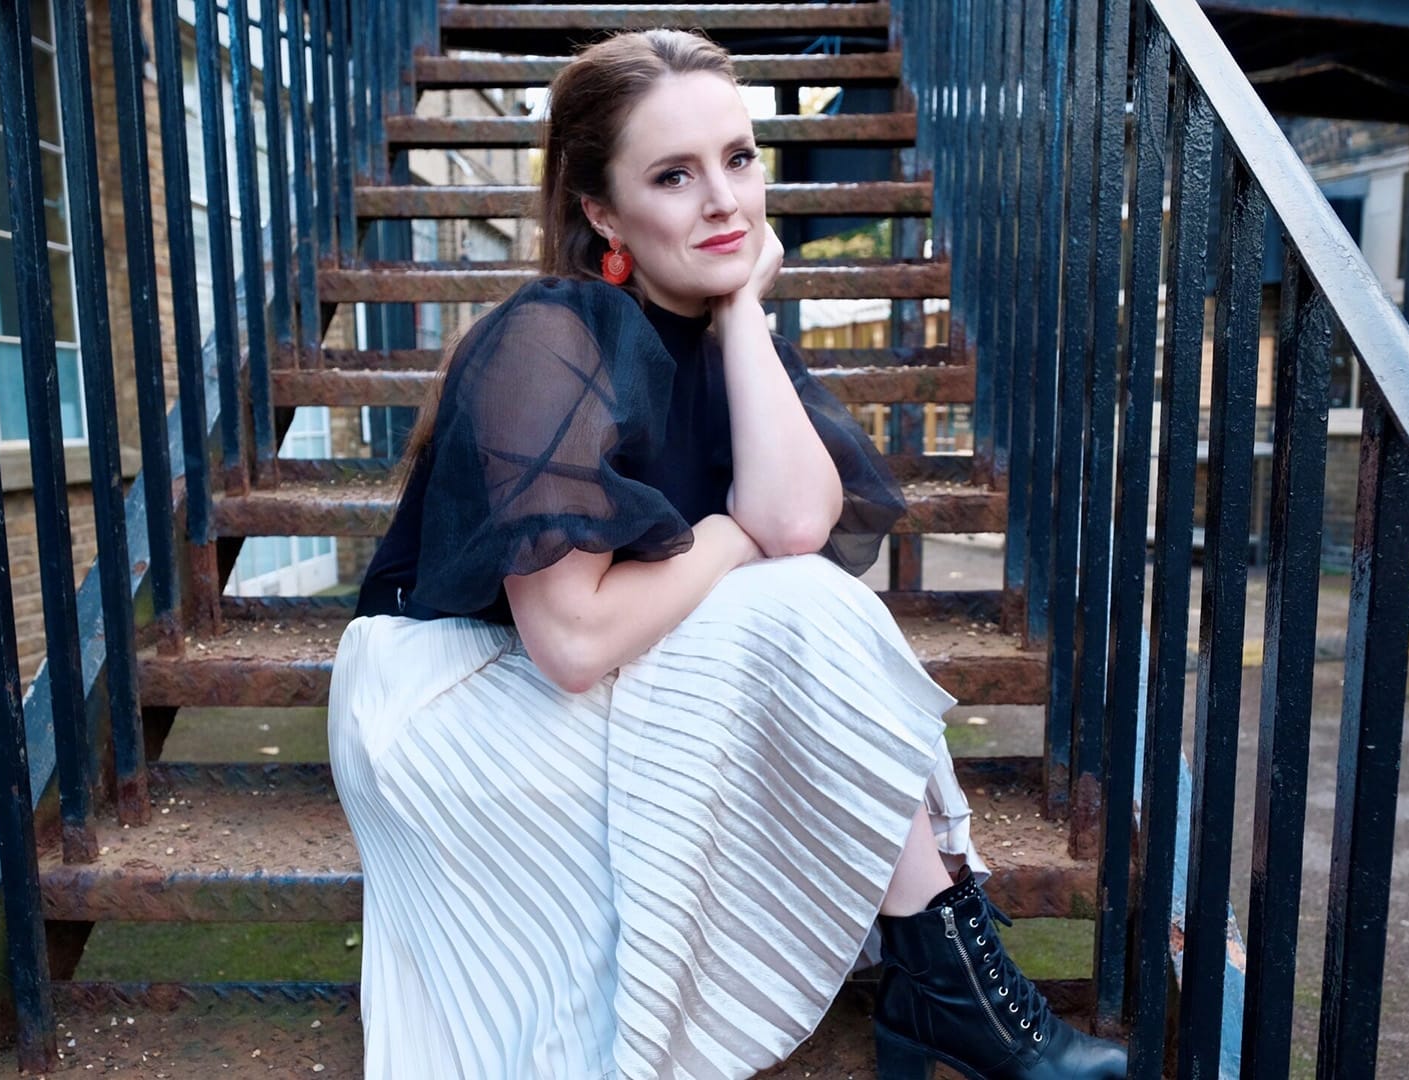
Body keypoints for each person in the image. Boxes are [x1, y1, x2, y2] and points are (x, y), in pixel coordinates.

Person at [326, 27, 1128, 1080]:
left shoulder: (728, 338)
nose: (725, 201)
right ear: (601, 211)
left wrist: (745, 306)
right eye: (674, 174)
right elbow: (570, 640)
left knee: (805, 600)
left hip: (600, 672)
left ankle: (942, 980)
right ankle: (947, 987)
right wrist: (728, 534)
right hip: (459, 704)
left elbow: (797, 526)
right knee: (801, 611)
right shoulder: (550, 337)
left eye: (740, 160)